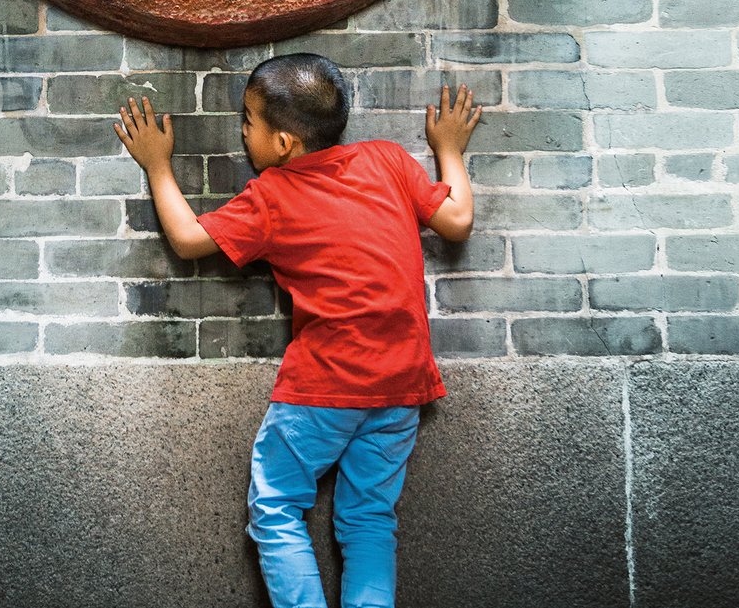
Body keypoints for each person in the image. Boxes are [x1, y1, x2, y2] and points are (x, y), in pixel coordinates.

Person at [114, 52, 481, 608]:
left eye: (247, 122)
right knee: (369, 521)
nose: (242, 133)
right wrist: (448, 149)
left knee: (277, 507)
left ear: (283, 143)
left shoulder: (272, 195)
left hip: (325, 387)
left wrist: (158, 164)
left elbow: (189, 240)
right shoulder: (386, 160)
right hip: (402, 384)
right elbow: (456, 221)